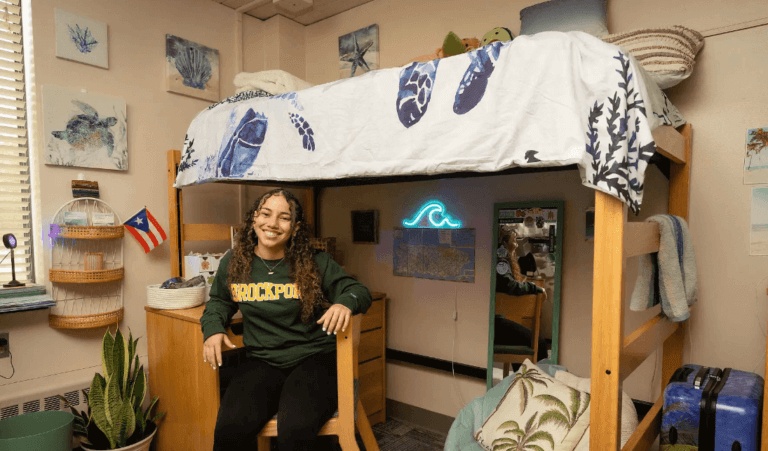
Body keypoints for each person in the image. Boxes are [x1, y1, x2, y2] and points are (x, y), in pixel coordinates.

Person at [200, 188, 372, 451]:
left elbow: (359, 292)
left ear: (295, 226)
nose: (272, 224)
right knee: (229, 429)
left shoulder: (315, 262)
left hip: (314, 358)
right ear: (254, 218)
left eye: (284, 217)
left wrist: (344, 302)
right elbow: (220, 301)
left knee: (294, 430)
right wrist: (212, 329)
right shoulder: (234, 262)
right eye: (266, 214)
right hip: (262, 360)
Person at [494, 226, 548, 362]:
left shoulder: (501, 259)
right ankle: (529, 380)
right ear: (504, 243)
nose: (517, 244)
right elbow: (509, 285)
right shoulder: (501, 260)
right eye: (514, 240)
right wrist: (535, 288)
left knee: (523, 339)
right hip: (493, 324)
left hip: (495, 320)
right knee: (540, 344)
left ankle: (520, 379)